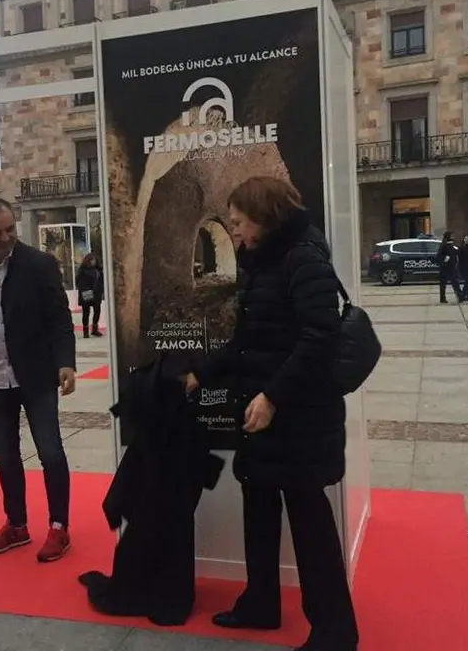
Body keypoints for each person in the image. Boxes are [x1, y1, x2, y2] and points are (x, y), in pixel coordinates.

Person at [182, 176, 358, 651]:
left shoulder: (304, 257)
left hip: (299, 416)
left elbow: (318, 337)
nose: (234, 231)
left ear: (263, 216)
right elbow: (248, 340)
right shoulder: (263, 261)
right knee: (258, 505)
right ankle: (260, 602)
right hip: (262, 414)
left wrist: (274, 396)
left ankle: (335, 631)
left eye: (238, 222)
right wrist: (202, 373)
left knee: (309, 521)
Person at [0, 198, 78, 563]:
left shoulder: (39, 265)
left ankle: (59, 526)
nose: (6, 237)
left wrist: (66, 363)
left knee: (50, 451)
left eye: (10, 229)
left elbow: (59, 319)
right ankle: (17, 525)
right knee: (4, 456)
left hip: (35, 375)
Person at [76, 253, 104, 338]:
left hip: (97, 293)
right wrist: (85, 289)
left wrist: (101, 291)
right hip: (87, 292)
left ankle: (94, 329)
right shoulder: (83, 270)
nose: (93, 262)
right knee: (86, 311)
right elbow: (78, 282)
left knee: (97, 310)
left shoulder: (98, 270)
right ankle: (85, 331)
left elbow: (101, 281)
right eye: (92, 260)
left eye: (94, 260)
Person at [436, 231, 463, 304]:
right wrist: (445, 259)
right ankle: (442, 298)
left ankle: (460, 296)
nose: (453, 236)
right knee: (444, 283)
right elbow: (439, 255)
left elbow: (457, 251)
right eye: (451, 235)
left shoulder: (452, 244)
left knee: (455, 282)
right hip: (445, 267)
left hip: (452, 267)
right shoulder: (444, 245)